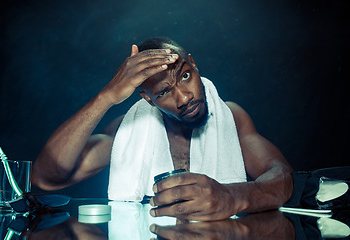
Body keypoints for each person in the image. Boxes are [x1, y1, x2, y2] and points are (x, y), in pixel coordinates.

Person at [32, 37, 294, 221]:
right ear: (149, 99)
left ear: (193, 64)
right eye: (165, 92)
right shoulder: (129, 132)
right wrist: (106, 97)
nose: (183, 98)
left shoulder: (231, 117)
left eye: (185, 76)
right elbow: (46, 177)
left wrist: (233, 197)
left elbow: (283, 177)